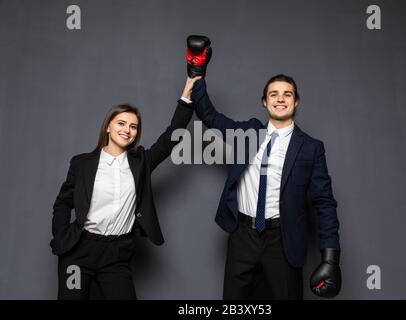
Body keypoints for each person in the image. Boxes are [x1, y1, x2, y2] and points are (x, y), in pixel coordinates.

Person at [181, 35, 342, 299]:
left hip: (282, 240)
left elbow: (324, 203)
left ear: (296, 101)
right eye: (274, 94)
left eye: (287, 94)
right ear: (264, 102)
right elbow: (209, 116)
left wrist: (330, 257)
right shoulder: (248, 133)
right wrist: (197, 71)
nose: (280, 99)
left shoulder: (312, 148)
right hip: (242, 236)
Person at [50, 100, 193, 299]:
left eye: (133, 126)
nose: (127, 130)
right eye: (121, 123)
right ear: (108, 126)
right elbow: (63, 203)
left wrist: (187, 96)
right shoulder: (82, 163)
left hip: (116, 255)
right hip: (78, 253)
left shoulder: (141, 163)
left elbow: (172, 136)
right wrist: (62, 236)